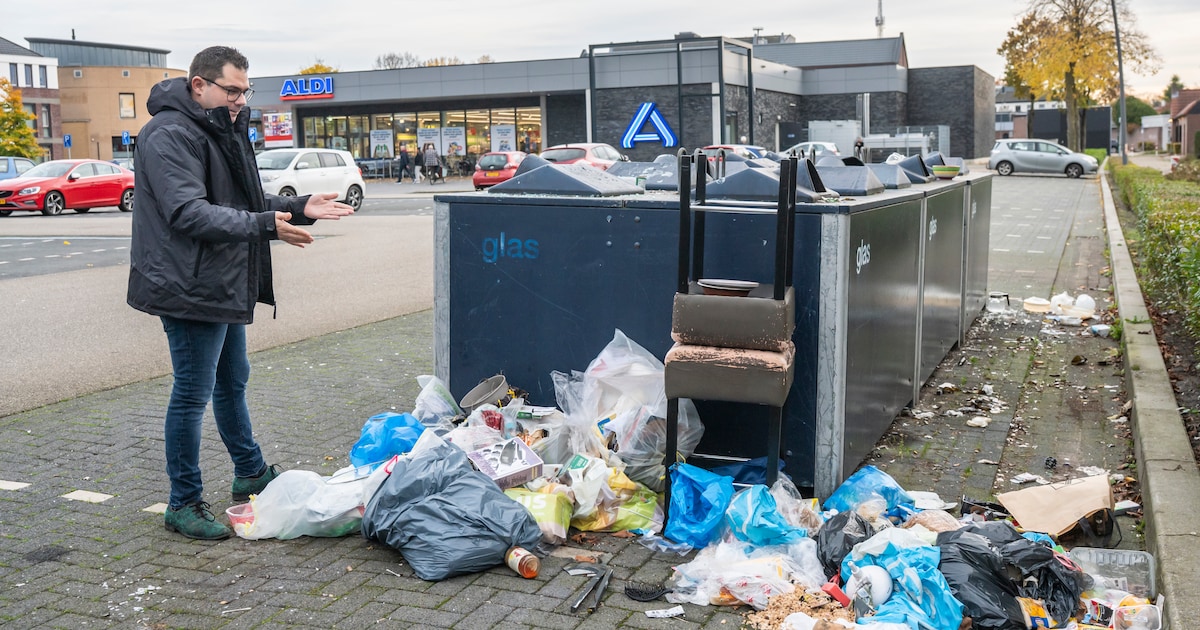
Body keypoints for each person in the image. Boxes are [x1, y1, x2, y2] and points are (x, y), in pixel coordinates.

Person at [127, 46, 354, 540]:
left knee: (233, 380)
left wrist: (296, 207)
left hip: (220, 278)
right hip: (188, 284)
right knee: (192, 392)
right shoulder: (168, 134)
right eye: (231, 90)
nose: (239, 99)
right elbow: (188, 212)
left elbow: (242, 202)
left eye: (244, 90)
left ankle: (249, 472)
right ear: (199, 86)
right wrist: (265, 223)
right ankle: (182, 502)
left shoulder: (217, 127)